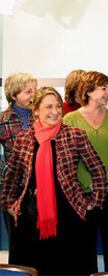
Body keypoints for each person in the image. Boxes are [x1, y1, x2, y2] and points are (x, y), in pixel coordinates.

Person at [0, 87, 108, 275]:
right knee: (35, 267)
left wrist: (94, 202)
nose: (55, 111)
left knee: (67, 267)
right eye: (49, 107)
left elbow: (98, 170)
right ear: (36, 111)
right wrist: (9, 203)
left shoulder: (75, 135)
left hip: (69, 214)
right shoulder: (24, 139)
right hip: (31, 218)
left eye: (58, 106)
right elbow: (12, 176)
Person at [63, 71, 108, 271]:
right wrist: (87, 184)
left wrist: (104, 181)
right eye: (104, 88)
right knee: (82, 250)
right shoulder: (70, 119)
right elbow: (67, 158)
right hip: (82, 195)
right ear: (88, 91)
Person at [0, 72, 37, 265]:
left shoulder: (42, 116)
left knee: (40, 243)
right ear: (14, 95)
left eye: (35, 90)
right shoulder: (2, 120)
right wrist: (7, 171)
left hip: (38, 188)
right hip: (13, 190)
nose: (33, 95)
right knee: (17, 244)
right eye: (28, 91)